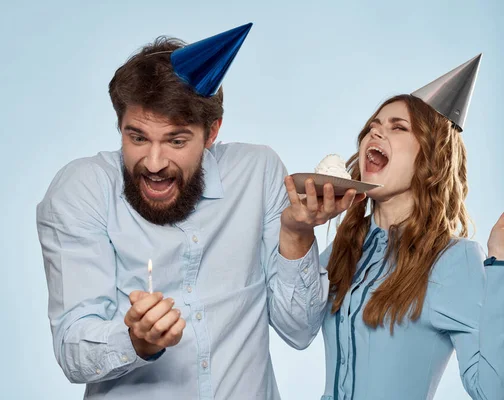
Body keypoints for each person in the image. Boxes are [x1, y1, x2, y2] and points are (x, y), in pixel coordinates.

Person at [36, 23, 360, 399]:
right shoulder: (83, 190)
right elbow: (71, 350)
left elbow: (299, 330)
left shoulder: (257, 172)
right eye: (137, 137)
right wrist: (136, 342)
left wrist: (296, 235)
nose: (154, 162)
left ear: (212, 132)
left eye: (176, 140)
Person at [284, 54, 504, 399]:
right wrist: (296, 235)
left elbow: (492, 389)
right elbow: (296, 331)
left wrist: (501, 264)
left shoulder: (454, 260)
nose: (375, 130)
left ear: (432, 159)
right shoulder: (346, 248)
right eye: (373, 125)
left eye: (398, 127)